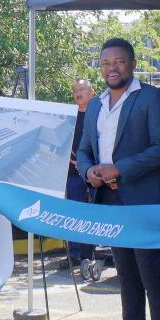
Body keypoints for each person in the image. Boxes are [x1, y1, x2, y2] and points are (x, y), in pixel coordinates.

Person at [77, 38, 160, 320]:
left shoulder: (152, 98)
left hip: (144, 201)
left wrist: (118, 168)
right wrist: (90, 171)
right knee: (127, 278)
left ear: (132, 63)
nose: (112, 67)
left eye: (119, 61)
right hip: (109, 202)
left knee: (152, 277)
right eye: (106, 62)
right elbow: (85, 150)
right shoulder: (95, 106)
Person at [66, 79, 96, 266]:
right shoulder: (68, 117)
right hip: (72, 172)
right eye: (75, 90)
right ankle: (74, 254)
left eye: (82, 89)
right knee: (73, 213)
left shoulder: (100, 113)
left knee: (95, 212)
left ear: (92, 91)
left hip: (95, 172)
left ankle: (92, 252)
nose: (78, 93)